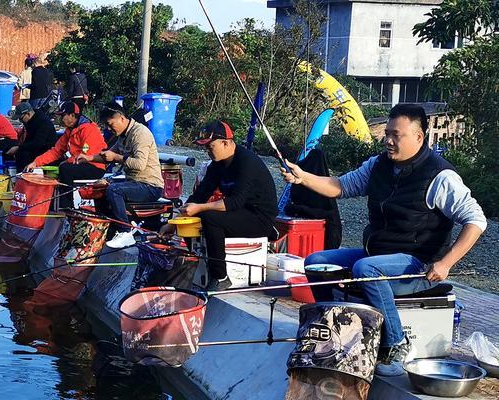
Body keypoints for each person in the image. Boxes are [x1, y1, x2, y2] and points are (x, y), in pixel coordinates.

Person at [280, 104, 486, 376]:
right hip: (376, 256)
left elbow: (477, 220)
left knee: (365, 269)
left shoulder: (441, 177)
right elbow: (340, 186)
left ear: (419, 137)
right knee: (317, 262)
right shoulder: (378, 166)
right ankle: (336, 326)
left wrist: (446, 262)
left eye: (395, 135)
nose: (388, 140)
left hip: (418, 265)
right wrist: (303, 177)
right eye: (387, 133)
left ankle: (396, 342)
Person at [176, 120, 278, 291]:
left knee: (210, 217)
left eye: (210, 146)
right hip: (239, 213)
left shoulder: (247, 162)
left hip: (259, 218)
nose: (207, 151)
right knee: (195, 215)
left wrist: (200, 208)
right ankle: (199, 261)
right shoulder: (217, 165)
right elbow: (200, 195)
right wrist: (175, 222)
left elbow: (235, 201)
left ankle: (220, 276)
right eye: (205, 148)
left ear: (226, 142)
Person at [79, 105, 164, 248]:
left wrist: (117, 157)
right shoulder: (122, 136)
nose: (108, 129)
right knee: (100, 187)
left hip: (150, 186)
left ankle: (125, 232)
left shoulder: (140, 133)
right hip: (134, 182)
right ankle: (107, 228)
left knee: (114, 190)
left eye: (110, 124)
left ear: (121, 118)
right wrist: (88, 158)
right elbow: (107, 156)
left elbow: (139, 164)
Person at [26, 101, 107, 207]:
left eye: (63, 116)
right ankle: (50, 203)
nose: (61, 119)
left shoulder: (89, 129)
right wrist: (36, 163)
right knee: (53, 166)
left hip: (95, 166)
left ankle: (67, 206)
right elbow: (56, 151)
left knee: (65, 169)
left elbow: (86, 156)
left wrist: (66, 161)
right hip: (78, 163)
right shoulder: (70, 130)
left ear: (72, 115)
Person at [7, 102, 57, 170]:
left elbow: (38, 143)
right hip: (36, 147)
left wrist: (19, 148)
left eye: (21, 118)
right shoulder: (30, 121)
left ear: (28, 114)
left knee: (22, 155)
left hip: (45, 150)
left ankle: (22, 174)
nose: (20, 121)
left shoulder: (43, 122)